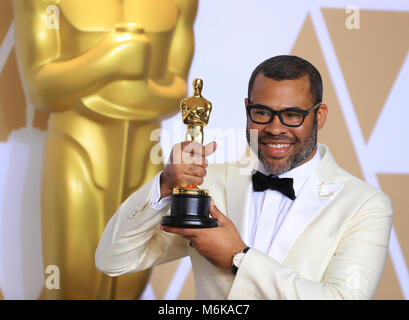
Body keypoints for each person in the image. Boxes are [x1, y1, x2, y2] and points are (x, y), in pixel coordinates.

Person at [95, 55, 393, 299]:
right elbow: (113, 259)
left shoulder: (365, 205)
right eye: (262, 112)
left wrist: (238, 257)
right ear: (247, 110)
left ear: (320, 116)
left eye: (292, 115)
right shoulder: (207, 185)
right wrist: (165, 184)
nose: (276, 128)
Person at [13, 0, 198, 299]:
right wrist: (107, 59)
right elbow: (40, 88)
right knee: (72, 282)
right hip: (77, 149)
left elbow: (178, 91)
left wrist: (120, 86)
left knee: (130, 286)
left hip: (145, 156)